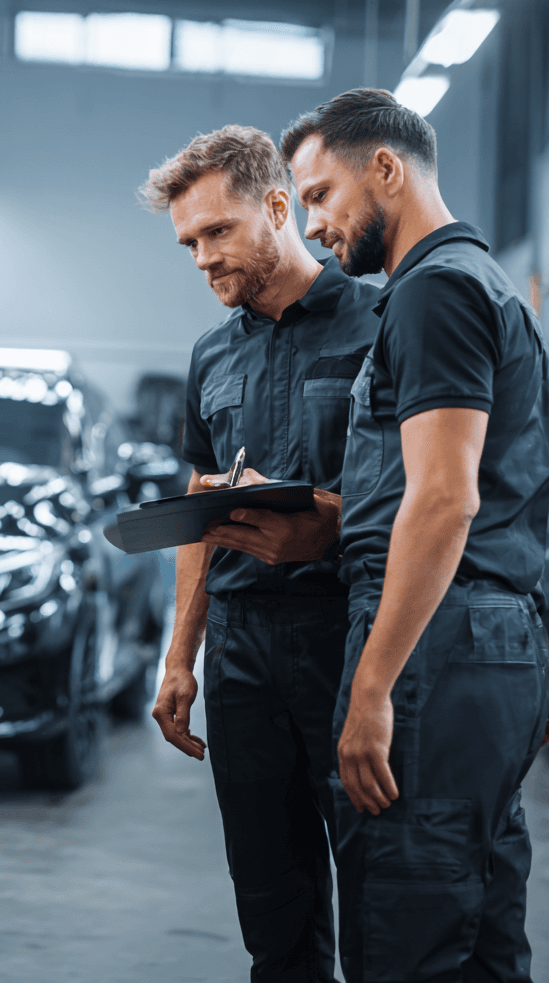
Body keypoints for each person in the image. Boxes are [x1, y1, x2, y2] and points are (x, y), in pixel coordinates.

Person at [276, 88, 549, 983]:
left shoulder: (433, 291)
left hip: (434, 644)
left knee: (407, 932)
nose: (310, 224)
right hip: (485, 638)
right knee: (477, 927)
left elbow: (445, 501)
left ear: (385, 168)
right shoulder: (485, 286)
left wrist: (371, 687)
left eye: (318, 194)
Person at [143, 125, 380, 983]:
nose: (202, 258)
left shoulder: (380, 323)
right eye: (189, 244)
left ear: (279, 207)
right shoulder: (211, 356)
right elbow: (198, 521)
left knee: (379, 899)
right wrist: (180, 661)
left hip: (346, 637)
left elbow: (424, 498)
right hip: (242, 654)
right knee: (272, 910)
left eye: (217, 232)